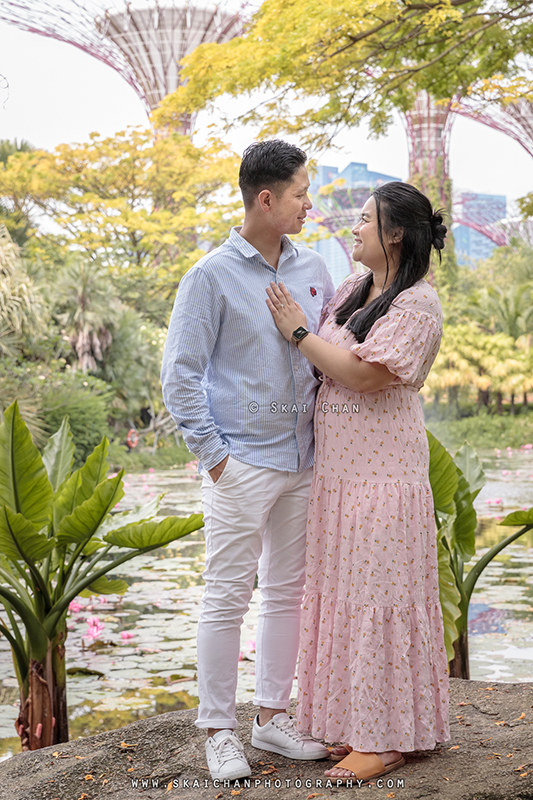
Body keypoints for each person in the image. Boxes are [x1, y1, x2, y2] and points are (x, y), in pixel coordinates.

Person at [161, 140, 335, 781]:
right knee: (227, 596)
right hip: (241, 464)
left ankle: (271, 720)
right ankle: (218, 732)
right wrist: (216, 459)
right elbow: (179, 377)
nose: (307, 205)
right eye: (299, 194)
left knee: (288, 592)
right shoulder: (208, 277)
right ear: (267, 199)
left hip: (303, 460)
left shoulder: (315, 265)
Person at [265, 181, 450, 784]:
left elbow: (361, 377)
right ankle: (361, 725)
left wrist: (297, 330)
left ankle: (385, 739)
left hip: (383, 480)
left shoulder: (417, 304)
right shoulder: (352, 290)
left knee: (379, 599)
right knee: (347, 597)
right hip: (341, 478)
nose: (355, 227)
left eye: (366, 220)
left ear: (395, 234)